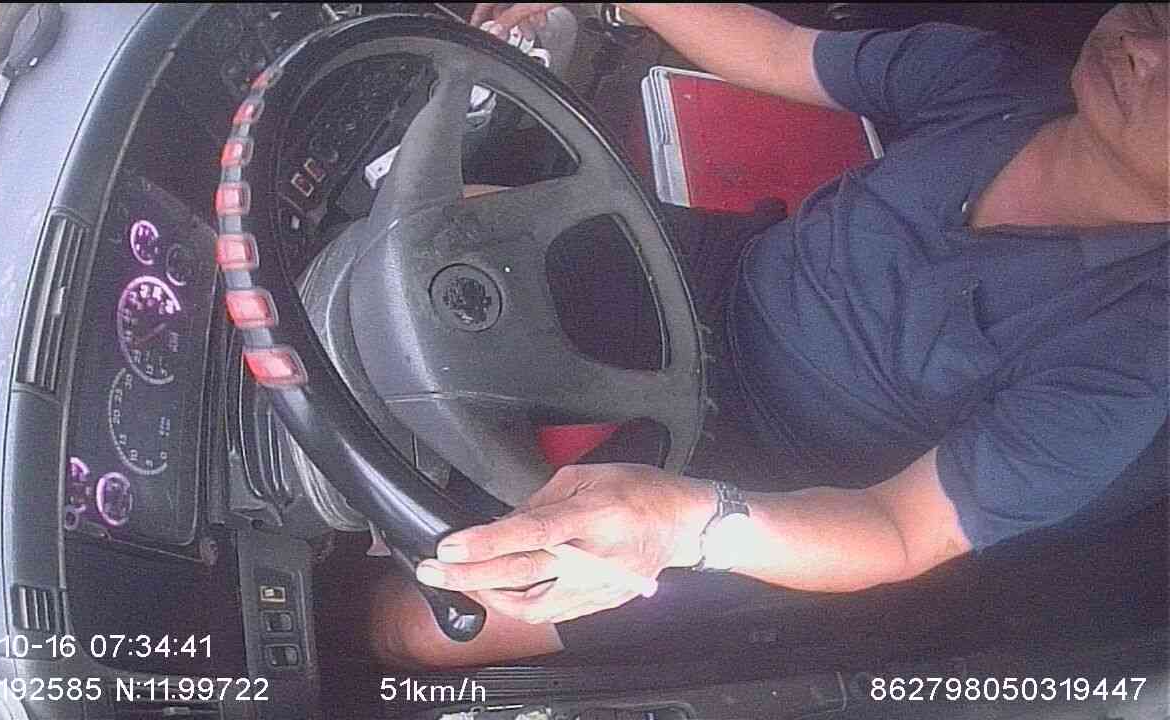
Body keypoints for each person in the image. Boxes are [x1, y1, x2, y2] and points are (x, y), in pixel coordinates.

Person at [368, 2, 1169, 668]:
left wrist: (688, 523)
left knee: (420, 628)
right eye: (1156, 15)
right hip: (722, 279)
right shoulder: (992, 78)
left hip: (775, 480)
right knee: (434, 229)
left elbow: (898, 530)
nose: (1142, 48)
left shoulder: (1129, 359)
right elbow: (781, 51)